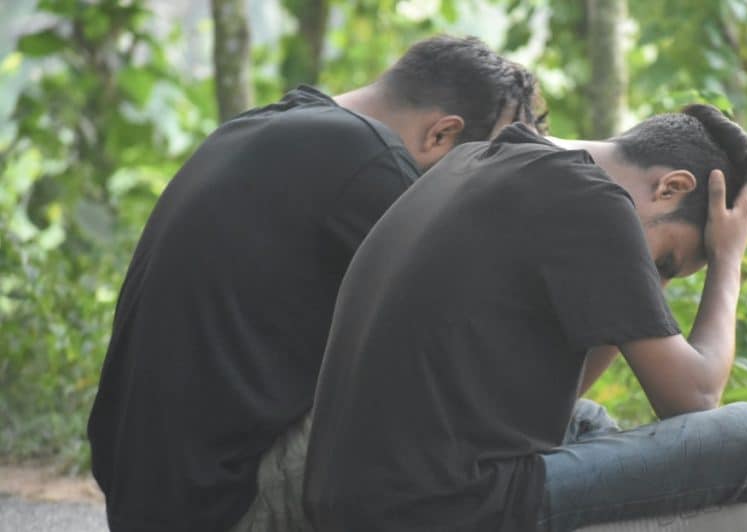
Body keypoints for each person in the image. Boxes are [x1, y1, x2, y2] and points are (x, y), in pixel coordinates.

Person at [86, 35, 543, 532]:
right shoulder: (374, 164)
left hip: (154, 499)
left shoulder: (273, 124)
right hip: (223, 504)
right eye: (485, 166)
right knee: (489, 429)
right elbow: (484, 357)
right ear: (440, 136)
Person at [303, 104, 747, 531]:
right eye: (665, 264)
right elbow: (695, 398)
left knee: (591, 422)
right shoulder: (594, 200)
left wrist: (636, 287)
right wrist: (727, 263)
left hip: (361, 498)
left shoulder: (483, 157)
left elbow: (556, 408)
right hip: (440, 508)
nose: (655, 280)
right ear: (671, 187)